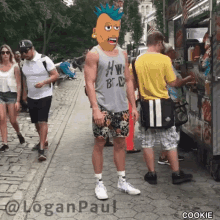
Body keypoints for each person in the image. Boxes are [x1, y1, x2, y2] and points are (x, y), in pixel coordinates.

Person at [84, 3, 141, 200]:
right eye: (108, 27)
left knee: (120, 144)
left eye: (116, 27)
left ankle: (122, 180)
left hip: (121, 108)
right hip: (103, 108)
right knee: (99, 143)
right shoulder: (94, 54)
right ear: (97, 31)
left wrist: (133, 105)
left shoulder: (123, 53)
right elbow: (89, 83)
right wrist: (95, 109)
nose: (113, 32)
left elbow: (128, 80)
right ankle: (99, 183)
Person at [135, 32, 195, 185]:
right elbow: (173, 83)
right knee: (169, 141)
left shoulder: (138, 60)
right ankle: (176, 174)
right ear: (160, 43)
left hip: (145, 106)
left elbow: (134, 84)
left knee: (147, 141)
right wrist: (185, 80)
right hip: (163, 105)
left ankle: (151, 174)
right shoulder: (164, 59)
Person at [19, 40, 59, 161]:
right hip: (32, 96)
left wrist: (44, 82)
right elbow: (25, 79)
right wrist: (25, 94)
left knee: (43, 121)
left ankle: (41, 150)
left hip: (45, 94)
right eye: (22, 52)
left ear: (32, 48)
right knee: (36, 122)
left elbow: (55, 75)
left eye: (26, 51)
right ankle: (43, 140)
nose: (24, 54)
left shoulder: (44, 60)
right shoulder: (23, 63)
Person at [158, 43, 196, 165]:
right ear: (168, 53)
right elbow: (176, 82)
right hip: (173, 101)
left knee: (173, 129)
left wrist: (187, 83)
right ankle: (166, 156)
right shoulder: (167, 65)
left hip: (173, 100)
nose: (175, 52)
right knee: (172, 129)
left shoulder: (168, 64)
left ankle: (168, 154)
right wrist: (189, 78)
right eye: (173, 50)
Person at [0, 45, 25, 152]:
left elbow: (19, 84)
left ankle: (18, 133)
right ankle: (5, 143)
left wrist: (18, 101)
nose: (5, 54)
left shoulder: (15, 67)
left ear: (10, 54)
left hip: (11, 95)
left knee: (13, 120)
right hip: (0, 94)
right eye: (3, 52)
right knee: (1, 118)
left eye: (7, 52)